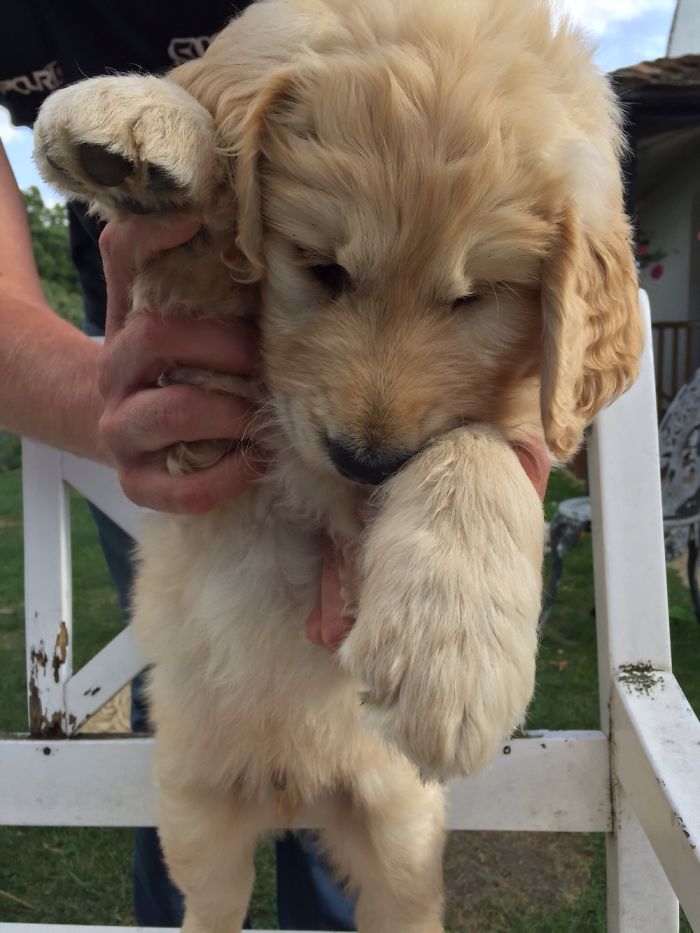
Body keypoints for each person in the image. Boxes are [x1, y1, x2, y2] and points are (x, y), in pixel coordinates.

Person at [0, 3, 551, 928]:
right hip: (159, 351)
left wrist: (503, 447)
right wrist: (116, 397)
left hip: (379, 346)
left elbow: (536, 168)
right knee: (192, 733)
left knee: (369, 780)